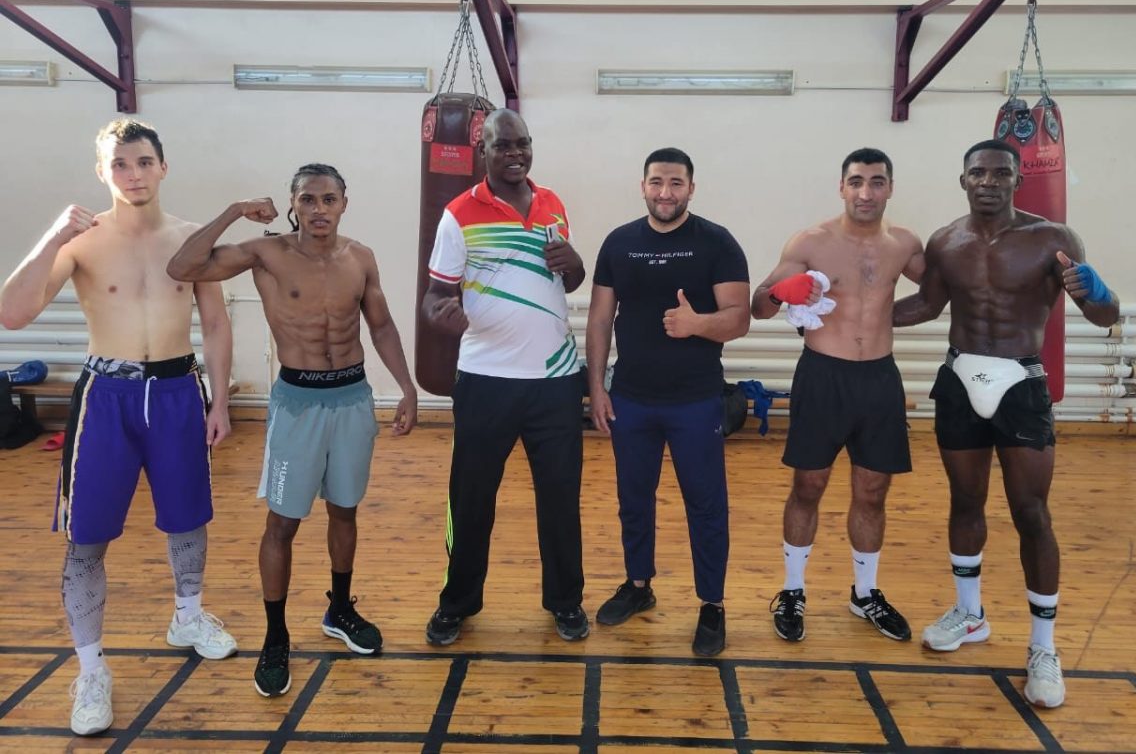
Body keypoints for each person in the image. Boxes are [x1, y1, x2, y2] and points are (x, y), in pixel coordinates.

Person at [0, 119, 237, 737]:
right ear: (102, 173)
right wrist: (53, 235)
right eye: (120, 165)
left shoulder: (191, 240)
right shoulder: (82, 241)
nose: (133, 175)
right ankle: (91, 669)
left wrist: (219, 401)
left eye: (143, 162)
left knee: (189, 516)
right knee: (87, 538)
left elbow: (214, 324)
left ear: (163, 166)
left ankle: (187, 615)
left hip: (180, 390)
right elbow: (12, 312)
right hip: (106, 395)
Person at [166, 163, 418, 698]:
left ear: (345, 203)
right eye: (308, 199)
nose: (319, 209)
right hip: (297, 402)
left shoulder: (361, 258)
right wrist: (235, 211)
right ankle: (276, 636)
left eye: (329, 199)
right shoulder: (266, 252)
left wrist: (409, 388)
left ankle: (340, 609)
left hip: (352, 398)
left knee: (344, 511)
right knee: (282, 523)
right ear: (293, 204)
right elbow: (181, 265)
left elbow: (381, 325)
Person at [894, 139, 1119, 708]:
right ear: (962, 179)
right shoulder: (946, 240)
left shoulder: (1053, 239)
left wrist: (1098, 292)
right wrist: (846, 314)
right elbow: (927, 306)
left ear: (1018, 179)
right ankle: (970, 615)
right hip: (959, 378)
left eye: (1000, 172)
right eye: (978, 172)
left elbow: (1104, 314)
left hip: (1020, 382)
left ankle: (1044, 647)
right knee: (965, 503)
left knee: (1031, 513)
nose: (988, 181)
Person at [421, 108, 589, 646]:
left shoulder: (553, 204)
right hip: (486, 379)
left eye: (523, 145)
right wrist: (438, 315)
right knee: (471, 500)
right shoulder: (458, 213)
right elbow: (435, 295)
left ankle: (565, 602)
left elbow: (569, 280)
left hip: (557, 381)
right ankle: (457, 603)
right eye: (504, 147)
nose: (515, 155)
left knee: (561, 500)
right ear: (484, 152)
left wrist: (576, 263)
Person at [751, 148, 923, 645]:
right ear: (841, 187)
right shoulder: (811, 241)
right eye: (856, 182)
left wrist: (891, 317)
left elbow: (940, 293)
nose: (865, 192)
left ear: (890, 187)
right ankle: (792, 591)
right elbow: (761, 305)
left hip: (879, 380)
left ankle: (865, 594)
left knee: (873, 493)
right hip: (823, 376)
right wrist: (786, 291)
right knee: (809, 486)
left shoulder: (905, 244)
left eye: (876, 182)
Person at [586, 147, 749, 656]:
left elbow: (740, 317)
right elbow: (598, 319)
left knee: (706, 507)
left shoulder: (717, 243)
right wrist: (595, 386)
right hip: (631, 400)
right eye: (657, 182)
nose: (665, 192)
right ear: (643, 186)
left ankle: (712, 605)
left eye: (676, 183)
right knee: (633, 501)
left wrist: (696, 324)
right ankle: (638, 586)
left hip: (695, 401)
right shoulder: (619, 242)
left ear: (691, 189)